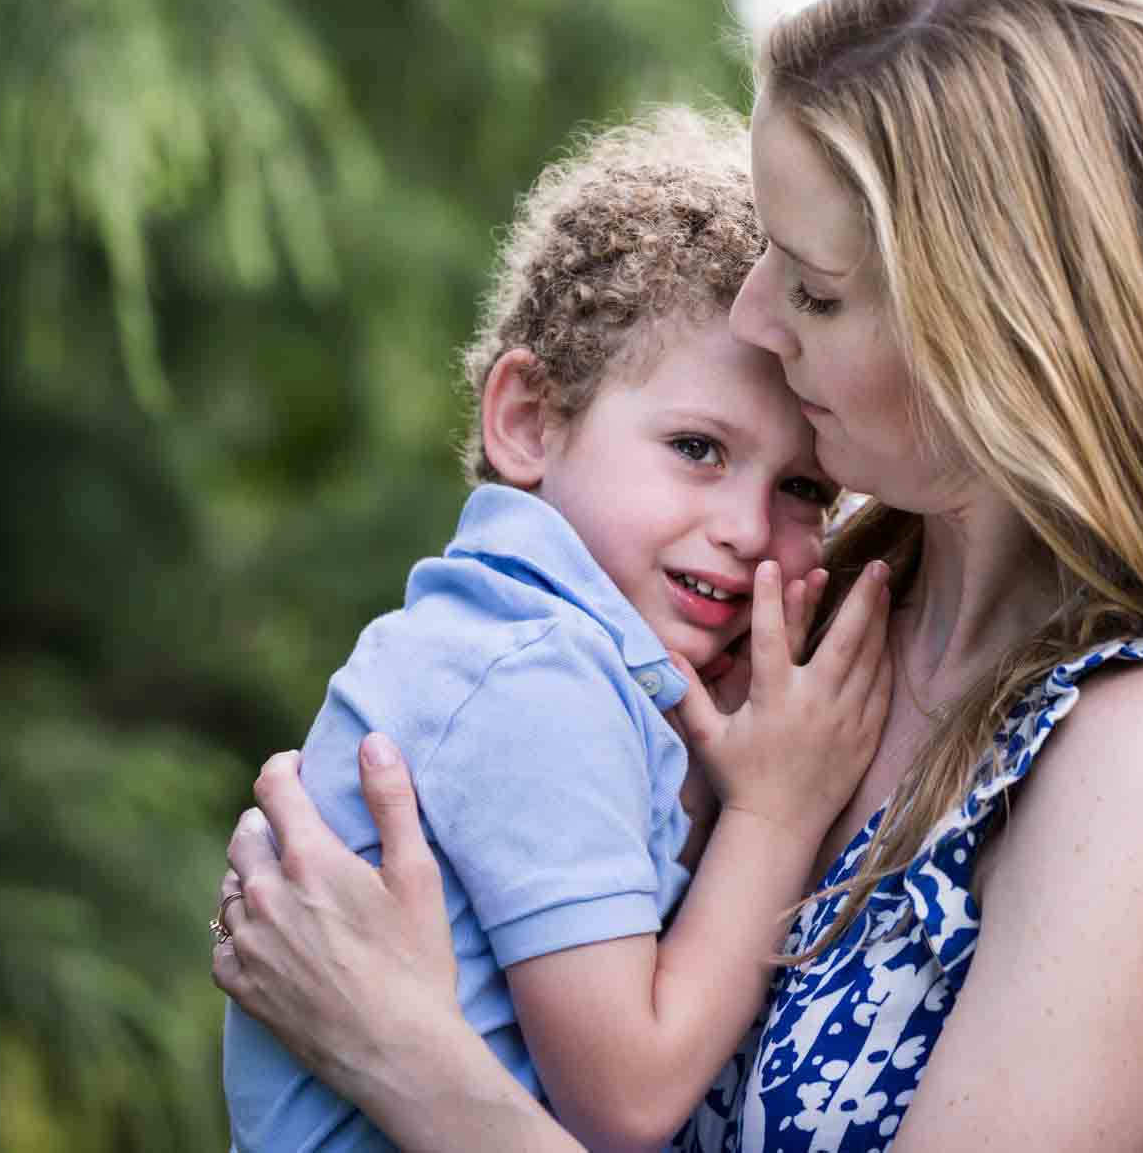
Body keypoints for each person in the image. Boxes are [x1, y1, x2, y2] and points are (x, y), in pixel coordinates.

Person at [214, 0, 1143, 1152]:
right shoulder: (794, 621)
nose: (755, 318)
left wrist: (405, 1059)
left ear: (1004, 340)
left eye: (814, 288)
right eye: (766, 250)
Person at [219, 109, 898, 1153]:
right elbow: (625, 1100)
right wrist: (771, 814)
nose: (746, 528)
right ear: (529, 422)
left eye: (805, 487)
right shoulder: (531, 673)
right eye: (697, 449)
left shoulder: (550, 654)